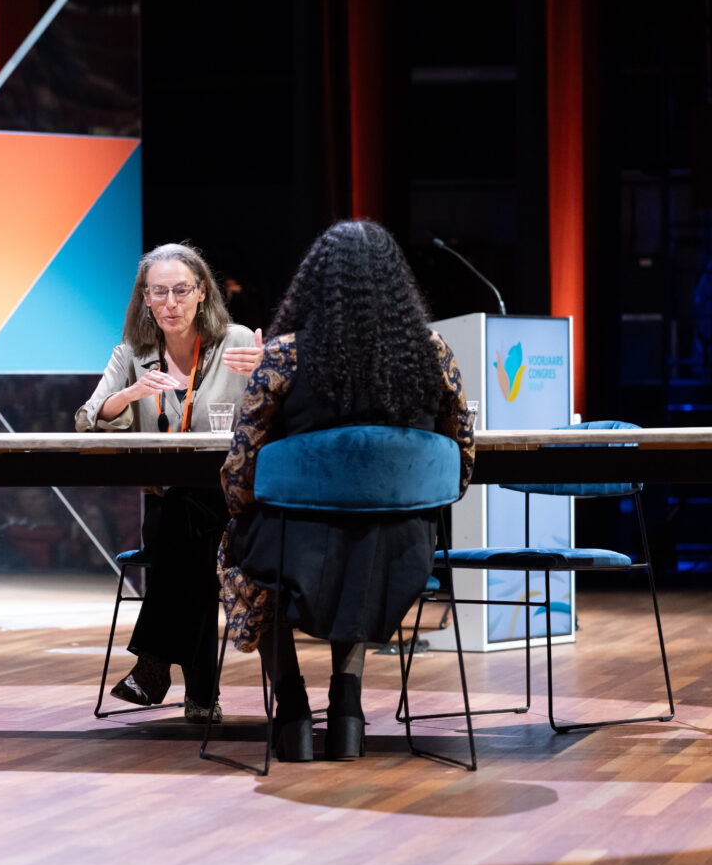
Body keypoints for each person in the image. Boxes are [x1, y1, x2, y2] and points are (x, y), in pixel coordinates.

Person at [217, 219, 474, 762]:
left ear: (315, 283)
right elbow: (460, 459)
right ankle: (347, 710)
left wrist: (244, 514)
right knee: (362, 549)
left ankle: (292, 711)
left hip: (295, 548)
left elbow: (241, 467)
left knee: (244, 546)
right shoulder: (433, 353)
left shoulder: (284, 356)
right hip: (401, 551)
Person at [75, 242, 264, 720]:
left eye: (181, 290)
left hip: (236, 504)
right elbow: (87, 417)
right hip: (170, 509)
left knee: (184, 525)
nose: (170, 303)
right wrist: (131, 393)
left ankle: (155, 664)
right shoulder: (132, 353)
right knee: (186, 529)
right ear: (145, 298)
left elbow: (276, 417)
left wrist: (267, 374)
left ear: (202, 292)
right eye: (158, 292)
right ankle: (197, 697)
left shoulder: (237, 341)